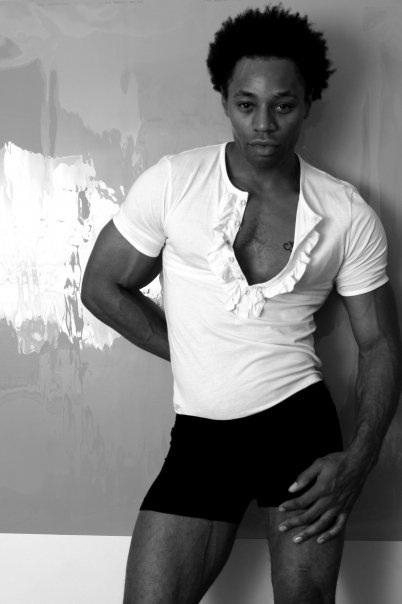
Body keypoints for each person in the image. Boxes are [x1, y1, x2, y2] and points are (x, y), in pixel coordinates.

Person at [81, 4, 401, 603]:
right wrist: (192, 352)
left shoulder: (347, 212)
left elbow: (379, 343)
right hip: (202, 441)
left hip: (298, 429)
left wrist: (358, 462)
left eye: (283, 105)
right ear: (224, 100)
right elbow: (101, 286)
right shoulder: (173, 182)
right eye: (246, 104)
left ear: (308, 103)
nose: (264, 124)